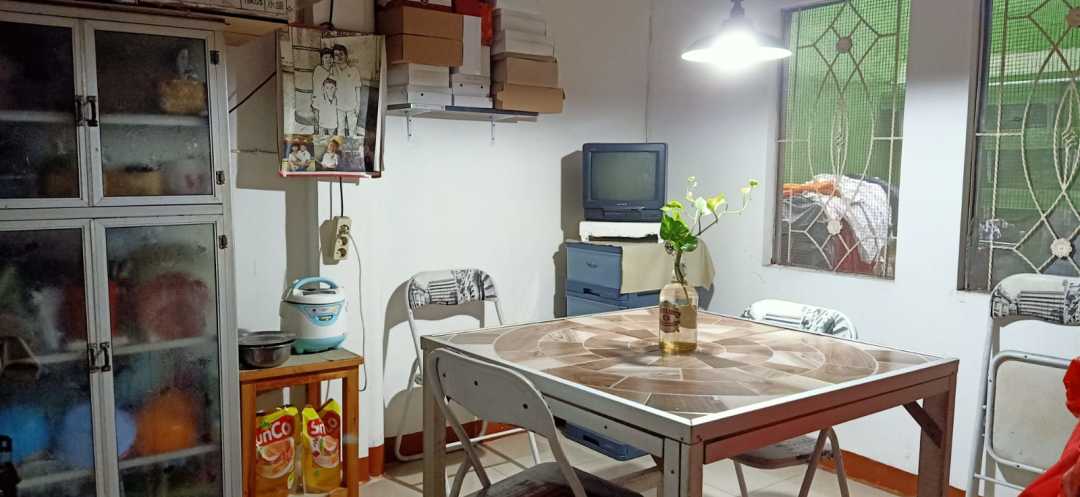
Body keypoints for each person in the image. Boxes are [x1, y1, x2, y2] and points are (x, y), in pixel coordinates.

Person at [330, 44, 362, 136]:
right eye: (336, 55)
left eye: (341, 54)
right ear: (334, 58)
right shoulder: (332, 71)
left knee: (352, 130)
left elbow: (357, 89)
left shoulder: (353, 70)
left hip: (352, 106)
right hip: (339, 106)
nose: (339, 57)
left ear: (346, 55)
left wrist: (357, 106)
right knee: (340, 129)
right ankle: (340, 145)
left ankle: (352, 145)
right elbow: (330, 89)